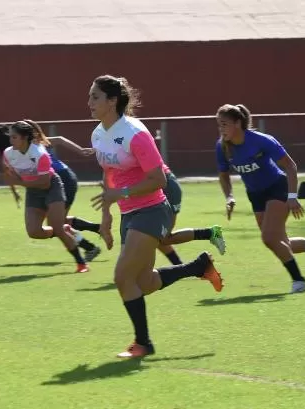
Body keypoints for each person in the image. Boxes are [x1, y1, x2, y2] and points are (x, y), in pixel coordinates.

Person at [88, 75, 223, 359]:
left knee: (123, 277)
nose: (89, 103)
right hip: (128, 214)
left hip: (151, 210)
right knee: (144, 283)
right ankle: (197, 267)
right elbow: (109, 175)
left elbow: (159, 179)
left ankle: (143, 343)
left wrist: (121, 194)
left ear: (113, 101)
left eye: (95, 97)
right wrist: (107, 217)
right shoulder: (98, 134)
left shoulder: (136, 133)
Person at [216, 104, 305, 294]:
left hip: (277, 187)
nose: (221, 129)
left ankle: (299, 280)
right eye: (219, 125)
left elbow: (290, 166)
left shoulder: (261, 141)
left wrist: (292, 197)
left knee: (268, 238)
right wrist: (230, 196)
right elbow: (223, 175)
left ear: (238, 123)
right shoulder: (222, 147)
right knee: (281, 242)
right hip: (255, 194)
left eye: (224, 124)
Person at [48, 134, 227, 261]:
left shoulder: (130, 136)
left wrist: (113, 201)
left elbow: (153, 176)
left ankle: (203, 245)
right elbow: (109, 178)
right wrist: (106, 213)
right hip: (148, 193)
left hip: (166, 187)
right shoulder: (107, 145)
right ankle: (201, 245)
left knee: (163, 237)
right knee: (162, 238)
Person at [0, 121, 92, 273]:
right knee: (34, 231)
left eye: (14, 137)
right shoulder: (8, 154)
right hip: (33, 190)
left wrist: (19, 182)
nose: (10, 141)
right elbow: (11, 176)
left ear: (24, 138)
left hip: (52, 186)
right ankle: (63, 228)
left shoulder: (40, 154)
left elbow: (43, 182)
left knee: (57, 228)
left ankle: (81, 264)